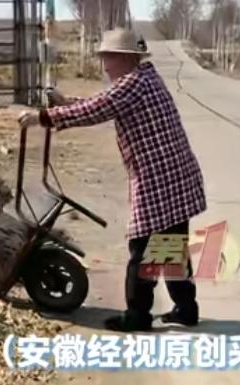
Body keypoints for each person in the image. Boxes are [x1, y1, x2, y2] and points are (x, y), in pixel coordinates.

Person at [20, 29, 206, 331]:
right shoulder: (142, 79)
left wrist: (43, 117)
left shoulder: (133, 84)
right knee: (171, 244)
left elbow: (98, 109)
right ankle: (186, 308)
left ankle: (138, 315)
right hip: (174, 175)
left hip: (159, 178)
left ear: (125, 58)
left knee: (142, 248)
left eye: (108, 57)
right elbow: (104, 102)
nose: (104, 65)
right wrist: (65, 104)